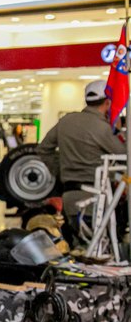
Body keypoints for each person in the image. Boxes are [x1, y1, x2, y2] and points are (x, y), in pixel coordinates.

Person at [36, 80, 126, 247]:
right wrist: (119, 131)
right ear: (108, 103)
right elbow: (124, 155)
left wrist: (61, 170)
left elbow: (43, 149)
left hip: (69, 196)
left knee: (78, 249)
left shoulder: (66, 121)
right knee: (100, 251)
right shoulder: (102, 128)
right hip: (96, 200)